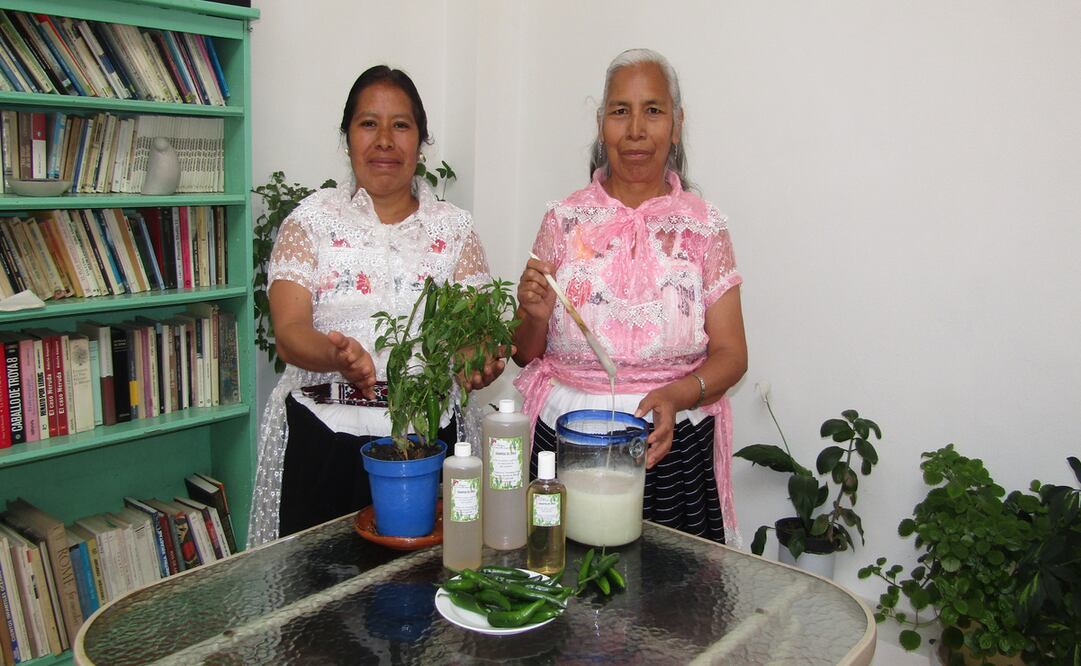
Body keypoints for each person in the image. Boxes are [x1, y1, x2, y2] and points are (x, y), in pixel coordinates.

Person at [248, 65, 504, 546]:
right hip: (325, 443)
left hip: (429, 445)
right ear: (347, 137)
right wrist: (335, 357)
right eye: (369, 124)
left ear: (421, 141)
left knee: (424, 601)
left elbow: (477, 328)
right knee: (322, 608)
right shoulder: (311, 222)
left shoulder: (455, 230)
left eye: (400, 125)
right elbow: (290, 329)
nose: (384, 140)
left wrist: (477, 358)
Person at [513, 49, 748, 544]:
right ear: (602, 125)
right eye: (620, 111)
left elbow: (732, 356)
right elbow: (525, 352)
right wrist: (533, 315)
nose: (636, 129)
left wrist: (677, 394)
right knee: (561, 598)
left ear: (677, 125)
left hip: (671, 444)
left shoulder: (704, 228)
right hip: (567, 441)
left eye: (653, 111)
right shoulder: (563, 221)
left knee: (669, 609)